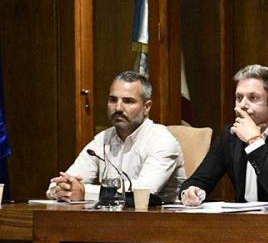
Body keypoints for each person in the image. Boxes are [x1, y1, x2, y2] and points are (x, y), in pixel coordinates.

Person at [180, 64, 268, 205]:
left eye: (253, 97)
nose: (242, 105)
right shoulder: (230, 135)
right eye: (239, 97)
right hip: (244, 217)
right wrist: (190, 191)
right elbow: (198, 180)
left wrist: (254, 141)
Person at [46, 71, 184, 203]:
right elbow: (61, 184)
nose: (118, 108)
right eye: (113, 100)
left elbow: (144, 190)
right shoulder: (102, 140)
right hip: (112, 216)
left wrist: (84, 192)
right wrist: (62, 189)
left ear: (146, 107)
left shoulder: (162, 140)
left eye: (128, 101)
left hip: (158, 216)